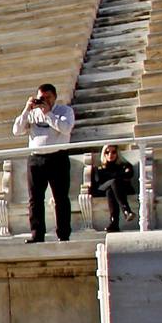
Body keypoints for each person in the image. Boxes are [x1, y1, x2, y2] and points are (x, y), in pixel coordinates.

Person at [13, 83, 76, 243]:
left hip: (58, 157)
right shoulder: (32, 114)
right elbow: (17, 130)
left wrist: (48, 114)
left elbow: (65, 128)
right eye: (42, 98)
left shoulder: (65, 111)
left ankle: (63, 234)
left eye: (48, 97)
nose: (45, 100)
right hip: (36, 159)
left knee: (61, 198)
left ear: (55, 97)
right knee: (35, 199)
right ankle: (37, 234)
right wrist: (27, 109)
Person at [90, 144, 136, 232]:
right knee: (113, 184)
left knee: (112, 188)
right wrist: (117, 176)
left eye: (113, 152)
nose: (110, 155)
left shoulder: (124, 165)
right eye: (107, 152)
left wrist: (113, 177)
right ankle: (126, 210)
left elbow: (129, 174)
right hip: (102, 190)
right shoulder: (99, 168)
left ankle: (114, 223)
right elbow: (97, 182)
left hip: (121, 190)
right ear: (104, 154)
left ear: (117, 153)